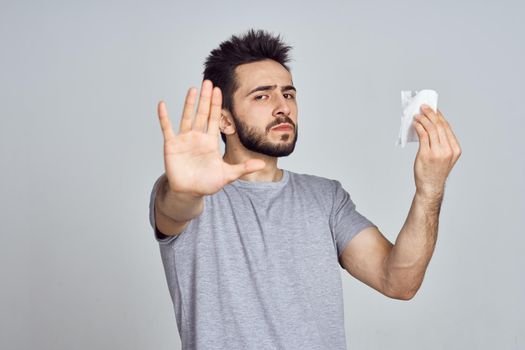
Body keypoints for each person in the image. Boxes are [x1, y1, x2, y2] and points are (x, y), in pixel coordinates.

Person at [148, 29, 461, 350]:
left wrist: (430, 188)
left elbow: (399, 282)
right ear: (224, 121)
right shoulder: (190, 194)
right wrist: (184, 189)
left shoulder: (326, 198)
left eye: (288, 94)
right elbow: (174, 205)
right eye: (262, 95)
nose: (282, 106)